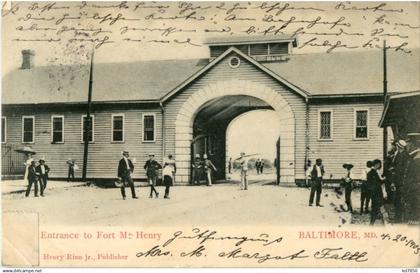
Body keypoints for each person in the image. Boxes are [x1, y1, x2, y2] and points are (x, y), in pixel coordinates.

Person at [404, 133, 420, 222]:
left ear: (414, 144)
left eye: (409, 143)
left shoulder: (417, 158)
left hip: (416, 187)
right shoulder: (413, 157)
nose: (407, 146)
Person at [392, 139, 410, 222]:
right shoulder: (398, 154)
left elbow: (401, 169)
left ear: (399, 147)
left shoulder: (405, 156)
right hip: (397, 180)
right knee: (397, 199)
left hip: (402, 180)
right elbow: (395, 166)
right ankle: (398, 217)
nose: (396, 147)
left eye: (397, 146)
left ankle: (401, 218)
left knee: (401, 199)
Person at [368, 159, 385, 226]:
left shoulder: (375, 172)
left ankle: (373, 222)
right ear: (376, 164)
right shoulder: (372, 173)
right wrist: (383, 180)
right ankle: (372, 223)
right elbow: (375, 183)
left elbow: (378, 182)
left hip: (375, 193)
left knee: (376, 207)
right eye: (378, 164)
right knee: (376, 207)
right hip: (376, 193)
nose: (379, 165)